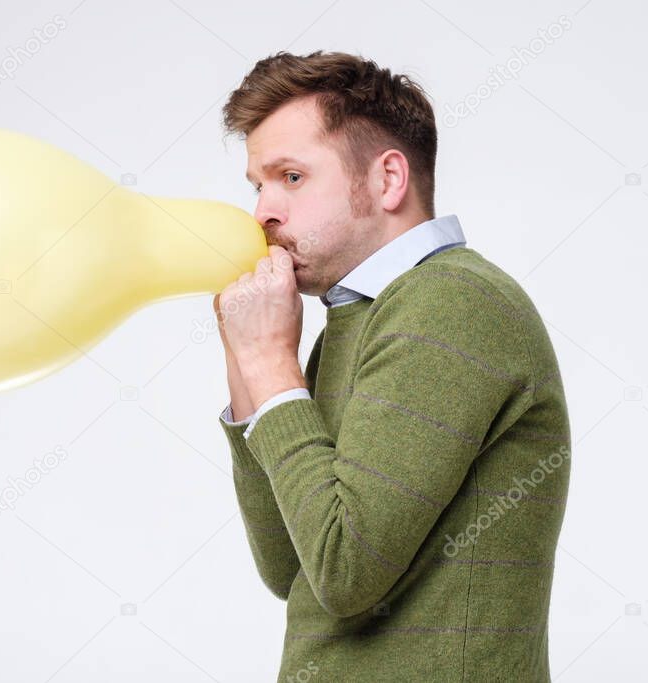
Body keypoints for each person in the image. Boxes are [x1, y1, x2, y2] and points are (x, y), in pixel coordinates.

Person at [214, 50, 570, 682]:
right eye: (257, 185)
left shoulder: (452, 300)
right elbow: (289, 567)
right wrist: (249, 361)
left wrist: (270, 361)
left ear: (388, 180)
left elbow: (345, 570)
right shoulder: (356, 319)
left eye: (290, 177)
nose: (262, 213)